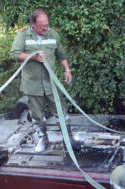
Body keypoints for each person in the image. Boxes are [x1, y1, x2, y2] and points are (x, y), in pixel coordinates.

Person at [11, 9, 80, 152]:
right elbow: (15, 54)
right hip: (33, 84)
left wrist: (67, 70)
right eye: (42, 26)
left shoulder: (53, 33)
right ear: (33, 24)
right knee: (36, 115)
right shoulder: (23, 35)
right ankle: (43, 139)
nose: (45, 28)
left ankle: (68, 138)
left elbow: (61, 54)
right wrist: (33, 57)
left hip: (52, 83)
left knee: (61, 111)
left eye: (47, 25)